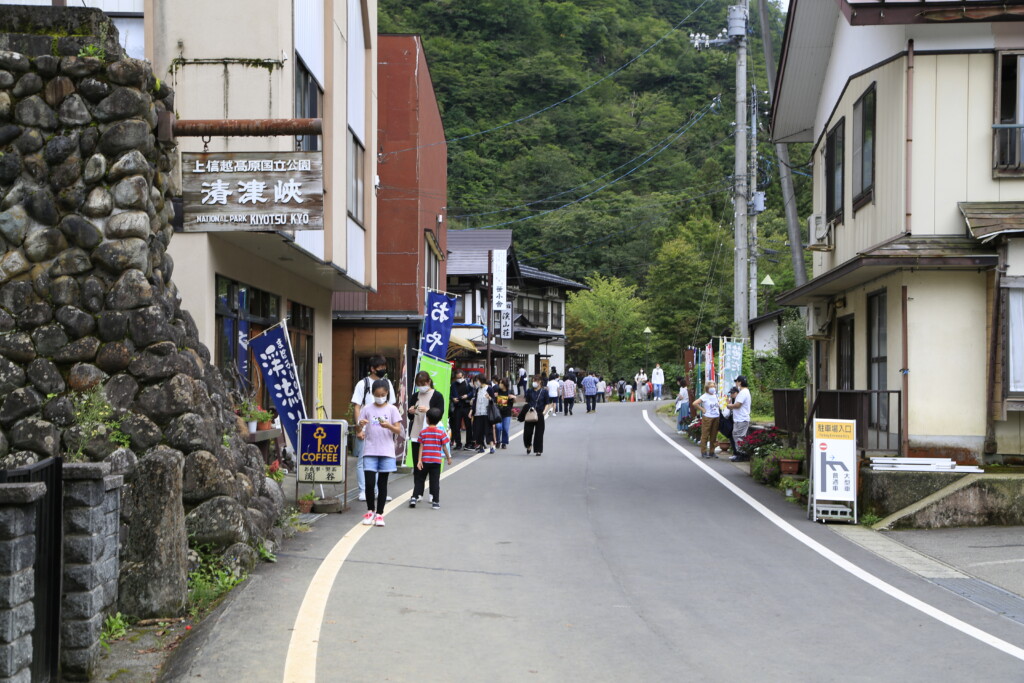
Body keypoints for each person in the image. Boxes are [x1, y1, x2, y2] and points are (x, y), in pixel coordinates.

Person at [355, 380, 403, 527]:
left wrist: (388, 425)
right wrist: (360, 426)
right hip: (370, 450)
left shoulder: (392, 409)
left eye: (382, 394)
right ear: (372, 394)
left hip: (386, 451)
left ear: (387, 393)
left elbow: (398, 430)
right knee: (369, 484)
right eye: (377, 395)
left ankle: (380, 514)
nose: (380, 397)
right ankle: (370, 511)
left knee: (382, 484)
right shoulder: (367, 408)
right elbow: (358, 431)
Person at [350, 355, 395, 502]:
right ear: (372, 369)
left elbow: (392, 406)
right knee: (364, 460)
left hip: (383, 429)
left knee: (381, 460)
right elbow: (357, 407)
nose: (383, 369)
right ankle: (363, 490)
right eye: (380, 367)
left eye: (384, 367)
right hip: (367, 428)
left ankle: (379, 491)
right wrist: (359, 429)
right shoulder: (363, 384)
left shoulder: (387, 383)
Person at [409, 407, 451, 510]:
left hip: (424, 460)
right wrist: (448, 457)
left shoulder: (423, 432)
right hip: (436, 461)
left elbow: (421, 447)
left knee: (420, 479)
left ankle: (414, 497)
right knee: (435, 481)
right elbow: (444, 446)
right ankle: (435, 501)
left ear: (427, 419)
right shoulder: (441, 433)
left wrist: (419, 460)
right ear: (439, 419)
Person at [407, 371, 445, 476]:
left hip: (432, 435)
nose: (421, 387)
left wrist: (428, 410)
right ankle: (417, 491)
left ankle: (432, 490)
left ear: (429, 381)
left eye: (423, 384)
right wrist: (411, 412)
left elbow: (440, 414)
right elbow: (410, 417)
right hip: (416, 433)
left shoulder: (437, 396)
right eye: (418, 385)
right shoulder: (415, 396)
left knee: (431, 466)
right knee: (417, 467)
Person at [520, 375, 550, 456]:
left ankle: (538, 450)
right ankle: (528, 445)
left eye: (535, 381)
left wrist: (544, 412)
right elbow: (527, 402)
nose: (534, 383)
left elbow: (547, 403)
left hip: (540, 413)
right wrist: (525, 411)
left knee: (539, 433)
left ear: (540, 381)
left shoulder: (544, 392)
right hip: (530, 412)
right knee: (527, 432)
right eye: (533, 381)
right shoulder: (529, 391)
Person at [692, 381, 721, 459]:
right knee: (705, 434)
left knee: (714, 435)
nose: (713, 388)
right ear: (707, 388)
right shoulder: (704, 396)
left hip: (716, 416)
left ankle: (712, 451)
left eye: (714, 386)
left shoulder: (716, 395)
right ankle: (703, 451)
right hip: (708, 417)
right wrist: (702, 409)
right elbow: (695, 403)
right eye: (711, 387)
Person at [727, 375, 752, 462]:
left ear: (740, 382)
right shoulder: (744, 391)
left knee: (739, 436)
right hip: (740, 418)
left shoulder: (743, 392)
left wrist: (730, 406)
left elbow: (738, 405)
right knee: (737, 435)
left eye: (736, 381)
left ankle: (742, 454)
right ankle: (740, 453)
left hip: (742, 418)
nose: (736, 383)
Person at [470, 374, 496, 453]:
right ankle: (481, 446)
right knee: (479, 430)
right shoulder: (478, 389)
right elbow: (475, 401)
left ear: (481, 380)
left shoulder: (489, 388)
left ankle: (492, 446)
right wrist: (472, 411)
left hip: (486, 412)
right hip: (478, 413)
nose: (476, 382)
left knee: (488, 430)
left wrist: (489, 398)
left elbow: (494, 400)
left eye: (477, 380)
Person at [449, 370, 471, 451]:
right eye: (457, 377)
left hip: (466, 406)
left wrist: (467, 396)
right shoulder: (454, 384)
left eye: (460, 377)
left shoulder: (468, 383)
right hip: (457, 407)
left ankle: (468, 443)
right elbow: (450, 394)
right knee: (456, 426)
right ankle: (458, 443)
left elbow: (473, 392)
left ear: (463, 376)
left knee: (468, 425)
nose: (458, 379)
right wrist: (453, 399)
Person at [719, 386, 740, 458]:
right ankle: (736, 453)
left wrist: (728, 405)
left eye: (732, 393)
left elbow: (726, 414)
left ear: (736, 393)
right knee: (734, 438)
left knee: (735, 438)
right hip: (735, 421)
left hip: (736, 421)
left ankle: (737, 453)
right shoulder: (735, 400)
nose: (731, 395)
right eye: (730, 393)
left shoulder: (736, 402)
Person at [493, 378, 513, 448]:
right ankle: (498, 441)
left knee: (505, 429)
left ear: (505, 384)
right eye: (499, 383)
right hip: (498, 413)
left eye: (501, 383)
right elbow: (493, 400)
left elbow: (512, 403)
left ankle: (504, 442)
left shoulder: (509, 392)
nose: (499, 384)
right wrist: (494, 396)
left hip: (507, 413)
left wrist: (513, 397)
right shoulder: (497, 391)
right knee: (498, 427)